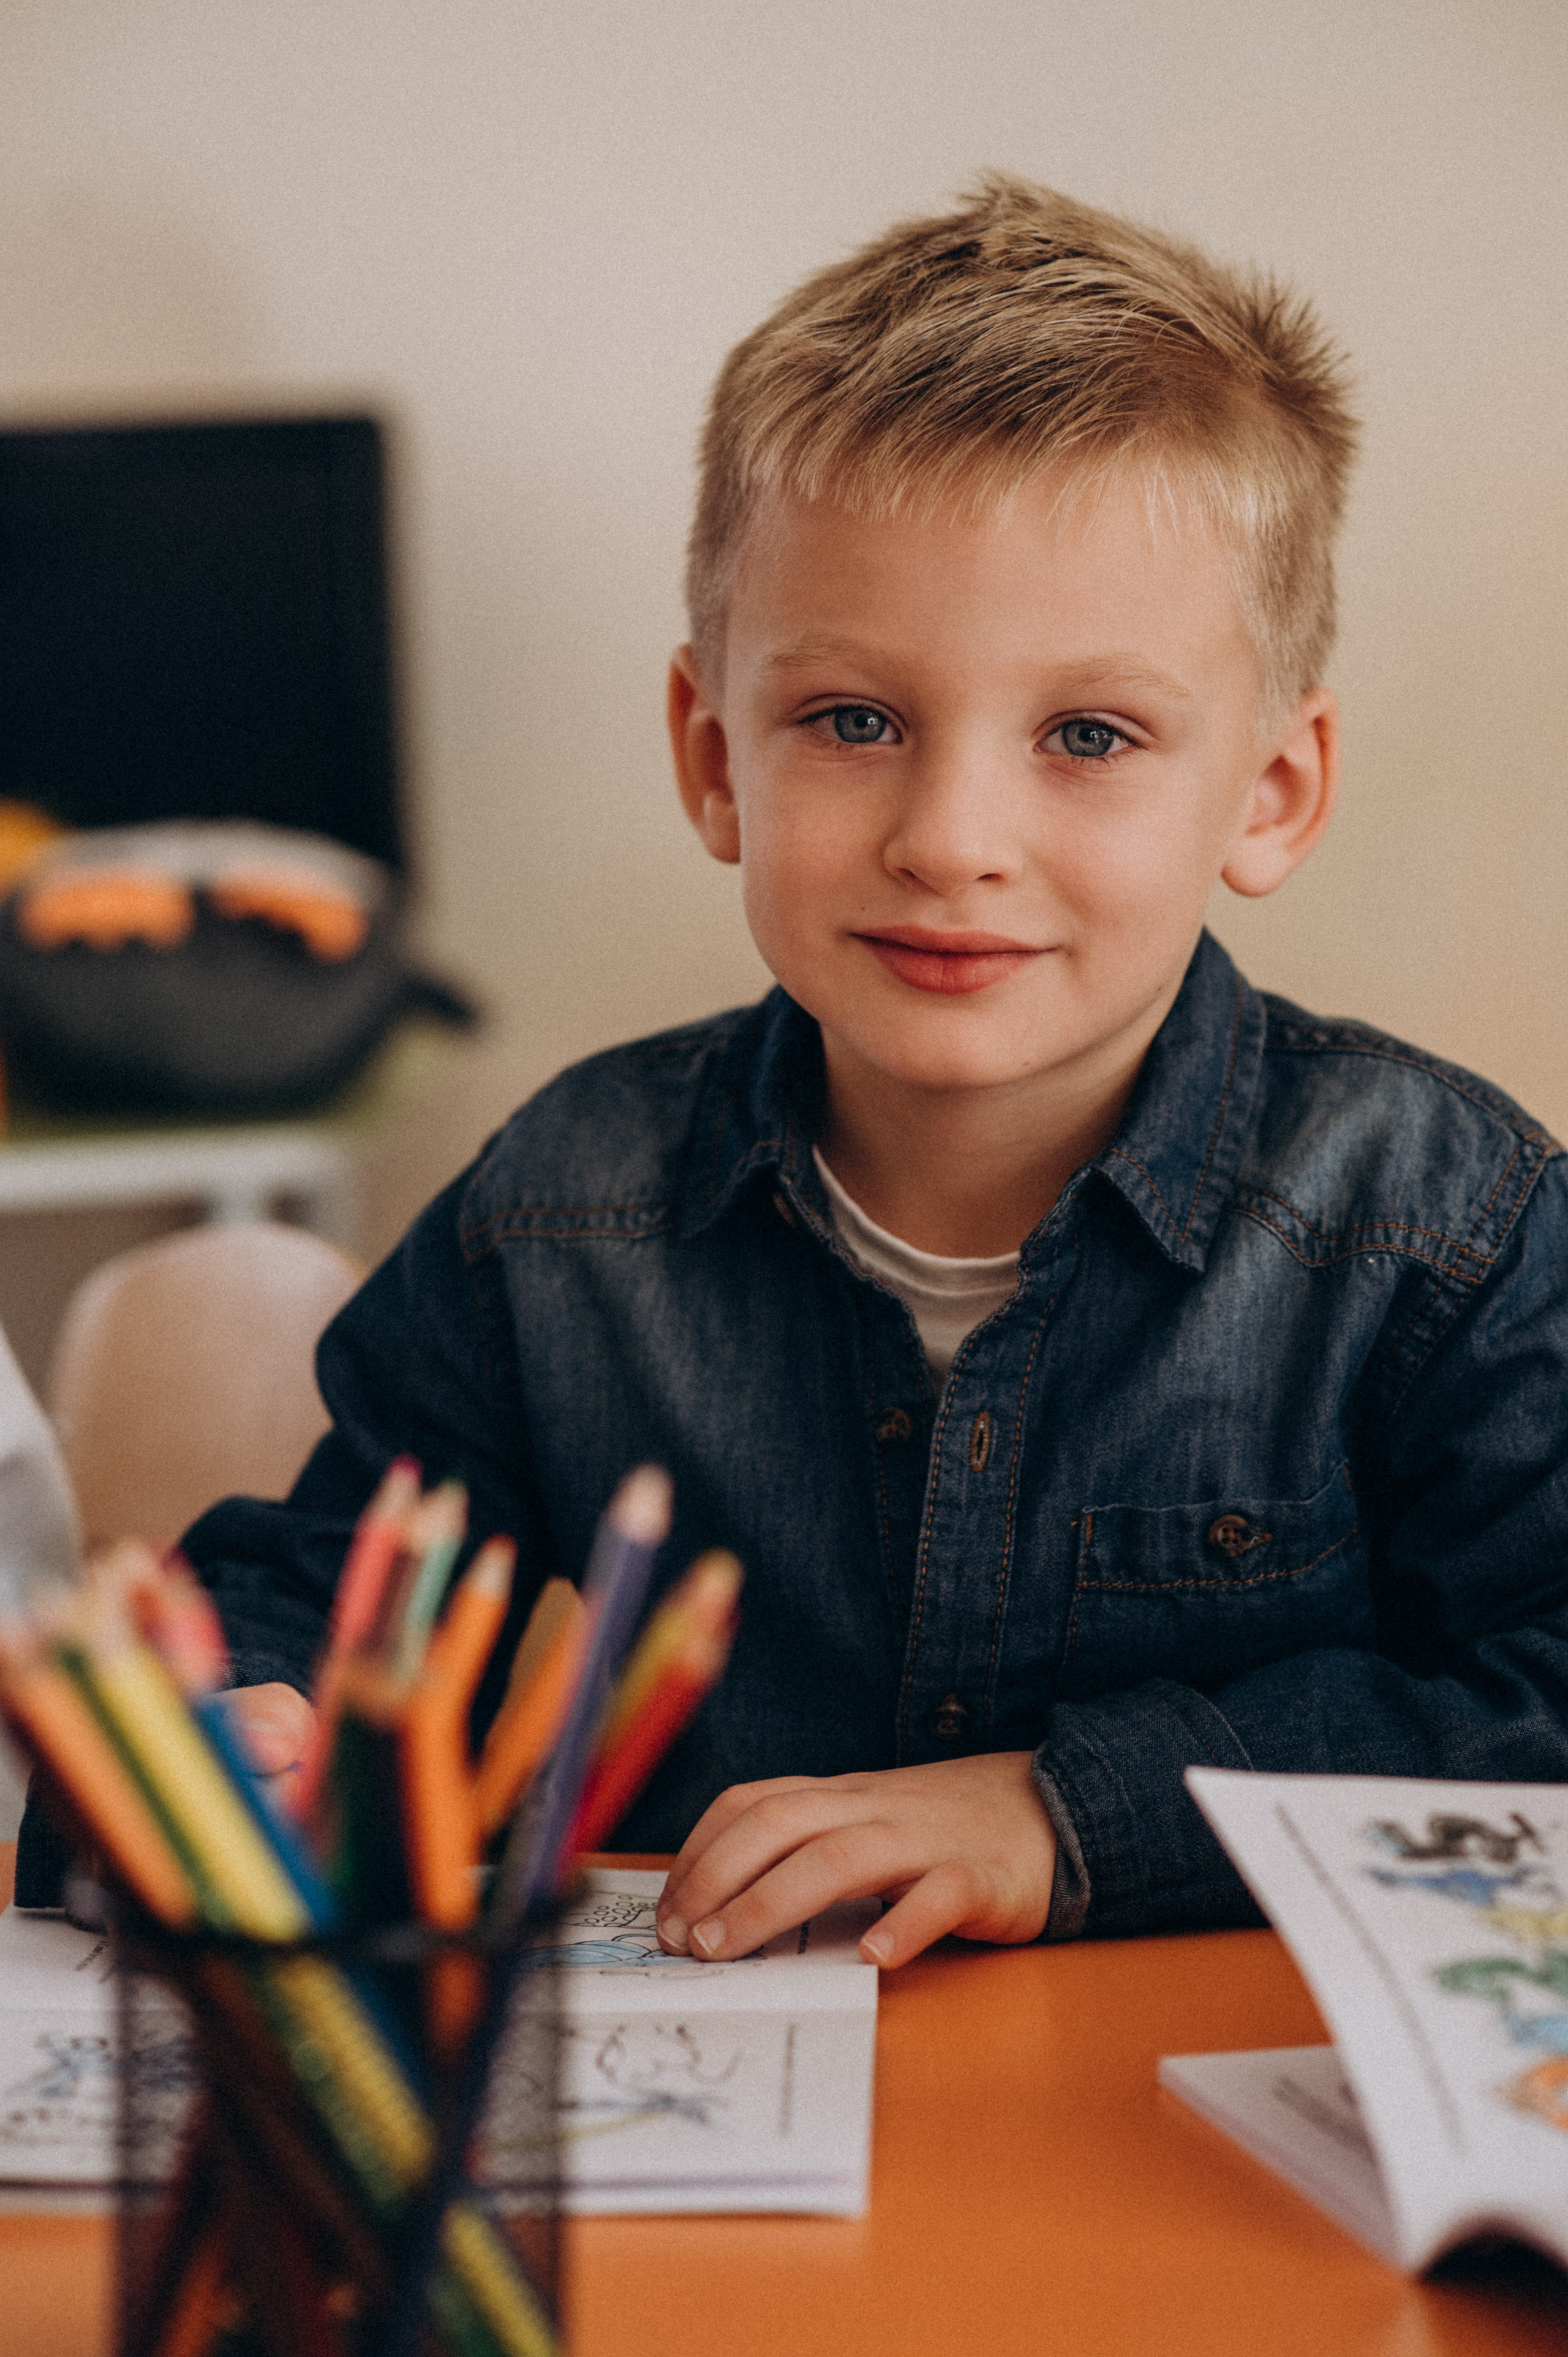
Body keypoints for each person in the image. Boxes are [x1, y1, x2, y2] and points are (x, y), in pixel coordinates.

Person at [24, 175, 1568, 1959]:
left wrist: (1070, 1815)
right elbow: (324, 1587)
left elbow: (1541, 1700)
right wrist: (234, 1738)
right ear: (713, 755)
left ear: (1271, 795)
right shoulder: (562, 1209)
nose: (951, 838)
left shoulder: (1447, 1226)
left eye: (1089, 734)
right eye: (855, 720)